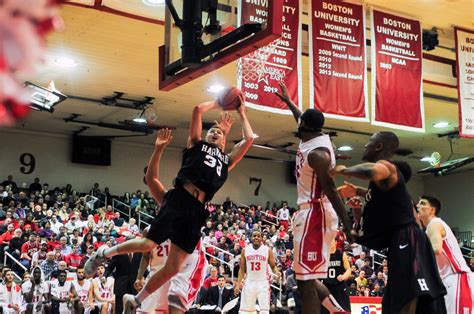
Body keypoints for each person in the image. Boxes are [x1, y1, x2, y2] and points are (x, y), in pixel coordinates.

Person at [85, 95, 254, 311]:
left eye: (219, 132)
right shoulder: (196, 144)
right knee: (148, 244)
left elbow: (248, 139)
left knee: (173, 267)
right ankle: (102, 254)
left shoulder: (226, 161)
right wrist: (218, 101)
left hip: (197, 211)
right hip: (179, 198)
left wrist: (242, 112)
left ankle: (135, 301)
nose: (214, 132)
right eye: (211, 130)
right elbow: (196, 109)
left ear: (224, 141)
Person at [335, 131, 447, 313]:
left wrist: (344, 170)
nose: (365, 145)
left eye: (369, 142)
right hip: (401, 239)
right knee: (399, 294)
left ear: (378, 146)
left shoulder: (386, 167)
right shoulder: (384, 192)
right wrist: (356, 193)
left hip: (408, 238)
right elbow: (370, 200)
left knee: (407, 292)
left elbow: (376, 170)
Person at [275, 83, 354, 314]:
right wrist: (290, 103)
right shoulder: (312, 138)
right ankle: (338, 310)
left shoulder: (318, 153)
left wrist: (348, 227)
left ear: (303, 127)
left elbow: (330, 189)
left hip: (315, 213)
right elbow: (301, 118)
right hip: (311, 213)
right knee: (304, 278)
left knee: (306, 284)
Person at [417, 195, 473, 314]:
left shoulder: (435, 223)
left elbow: (436, 248)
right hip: (448, 280)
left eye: (422, 203)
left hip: (458, 277)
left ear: (432, 210)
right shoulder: (428, 229)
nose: (418, 206)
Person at [234, 230, 280, 314]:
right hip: (249, 282)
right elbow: (242, 269)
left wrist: (277, 272)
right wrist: (238, 285)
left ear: (262, 238)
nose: (256, 238)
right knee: (246, 311)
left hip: (263, 283)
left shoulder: (267, 250)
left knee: (264, 311)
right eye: (254, 236)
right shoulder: (245, 250)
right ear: (251, 238)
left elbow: (273, 266)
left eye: (259, 236)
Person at [320, 240, 351, 314]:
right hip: (326, 286)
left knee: (345, 309)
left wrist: (344, 276)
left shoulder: (341, 254)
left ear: (336, 242)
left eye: (332, 240)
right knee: (323, 310)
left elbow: (348, 269)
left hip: (339, 285)